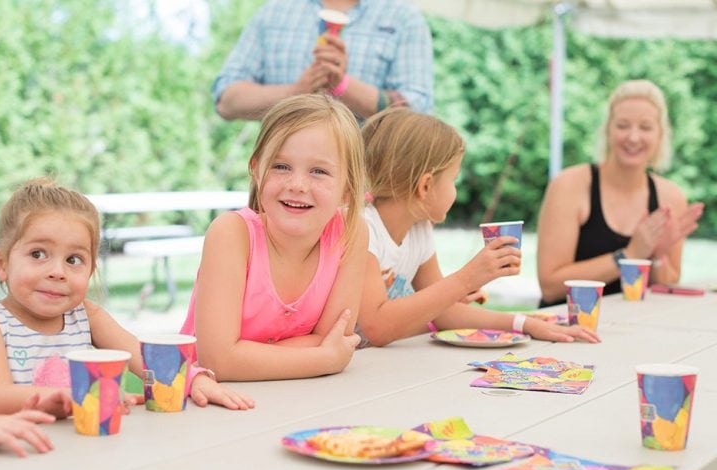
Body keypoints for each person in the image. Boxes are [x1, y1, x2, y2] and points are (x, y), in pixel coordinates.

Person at [0, 178, 253, 417]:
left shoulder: (85, 315)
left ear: (90, 270)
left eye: (73, 259)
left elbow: (145, 359)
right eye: (38, 254)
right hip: (2, 460)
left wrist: (195, 380)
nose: (58, 272)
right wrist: (79, 396)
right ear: (1, 264)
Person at [356, 107, 600, 347]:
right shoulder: (363, 228)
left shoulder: (418, 230)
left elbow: (444, 313)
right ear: (426, 186)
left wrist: (524, 324)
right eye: (454, 179)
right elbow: (377, 327)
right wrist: (467, 278)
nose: (456, 189)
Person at [181, 93, 368, 383]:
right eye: (281, 166)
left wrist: (243, 355)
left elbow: (337, 338)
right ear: (256, 170)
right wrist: (323, 358)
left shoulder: (350, 233)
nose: (297, 185)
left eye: (319, 171)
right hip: (205, 399)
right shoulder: (231, 235)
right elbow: (217, 361)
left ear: (348, 189)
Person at [537, 79, 704, 306]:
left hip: (635, 323)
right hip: (567, 324)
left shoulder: (671, 197)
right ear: (607, 130)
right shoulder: (569, 185)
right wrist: (630, 254)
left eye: (645, 127)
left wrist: (656, 256)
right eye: (623, 125)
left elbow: (667, 286)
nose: (633, 137)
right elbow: (550, 287)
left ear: (660, 135)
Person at [212, 0, 433, 121]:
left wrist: (342, 86)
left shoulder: (404, 18)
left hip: (368, 184)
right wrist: (296, 92)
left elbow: (417, 114)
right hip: (283, 183)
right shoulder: (272, 12)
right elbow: (225, 101)